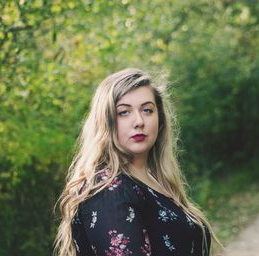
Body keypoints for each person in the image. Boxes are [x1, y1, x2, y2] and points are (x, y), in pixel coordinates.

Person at [54, 68, 220, 256]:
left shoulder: (153, 183)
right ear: (106, 121)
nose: (139, 121)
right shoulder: (108, 190)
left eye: (147, 110)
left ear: (160, 120)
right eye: (124, 112)